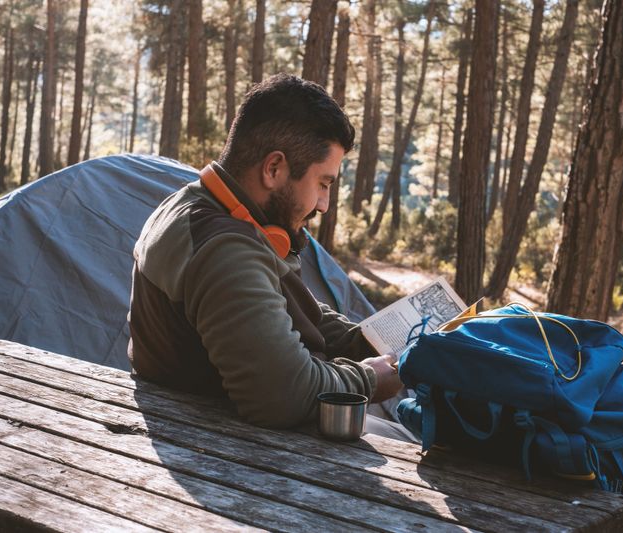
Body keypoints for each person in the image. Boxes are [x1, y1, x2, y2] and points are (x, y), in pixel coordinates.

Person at [128, 74, 412, 440]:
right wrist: (370, 380)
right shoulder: (224, 249)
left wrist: (365, 339)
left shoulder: (200, 207)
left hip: (213, 430)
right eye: (323, 184)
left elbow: (280, 308)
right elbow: (285, 394)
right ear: (274, 169)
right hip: (225, 446)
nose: (324, 204)